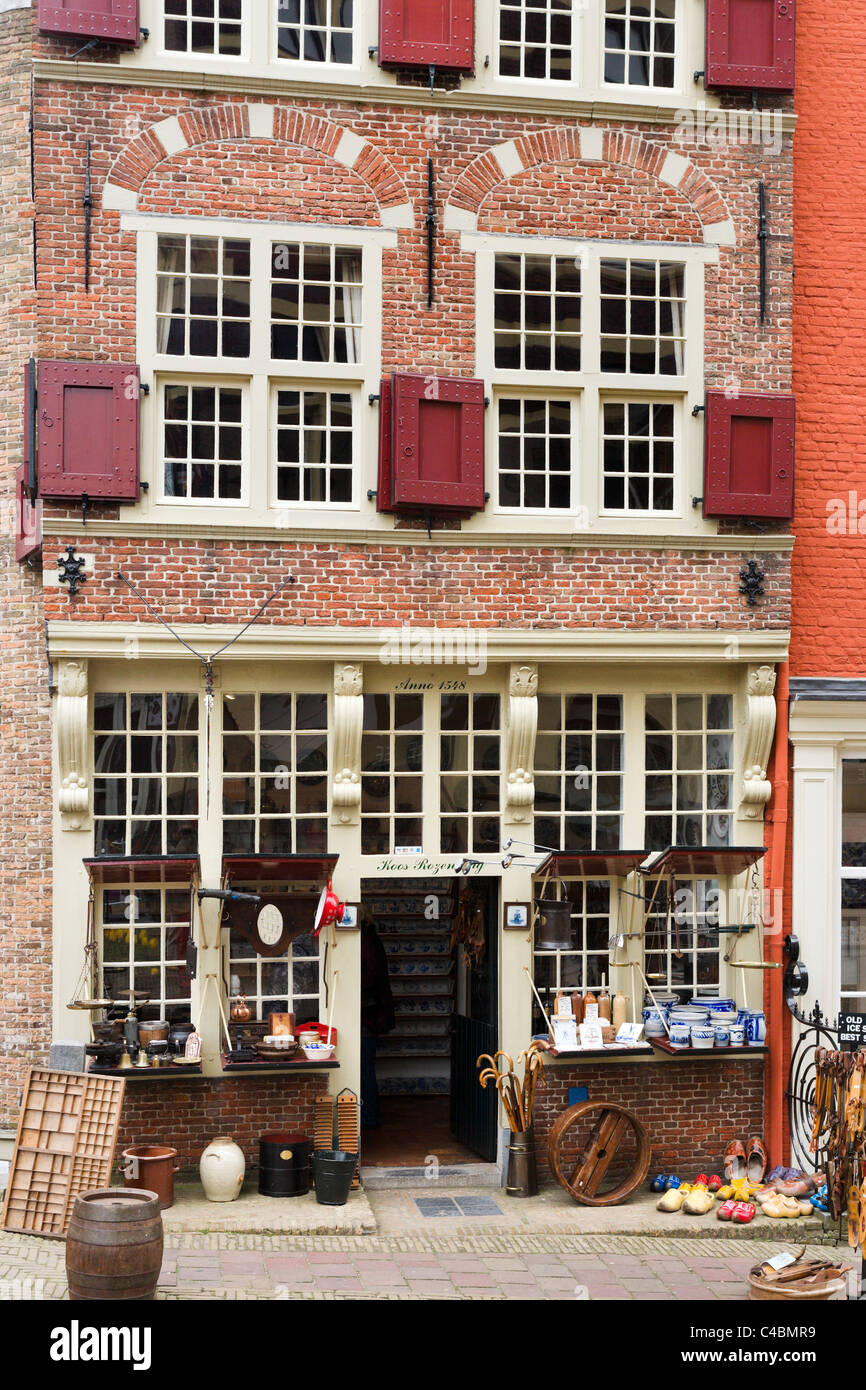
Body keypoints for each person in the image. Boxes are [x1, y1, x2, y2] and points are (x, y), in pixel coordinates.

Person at [360, 906, 395, 1129]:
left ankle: (370, 1116)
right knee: (365, 1067)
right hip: (370, 1011)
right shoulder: (370, 938)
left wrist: (354, 989)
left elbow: (370, 976)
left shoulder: (366, 940)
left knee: (364, 1068)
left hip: (367, 1012)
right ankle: (370, 1115)